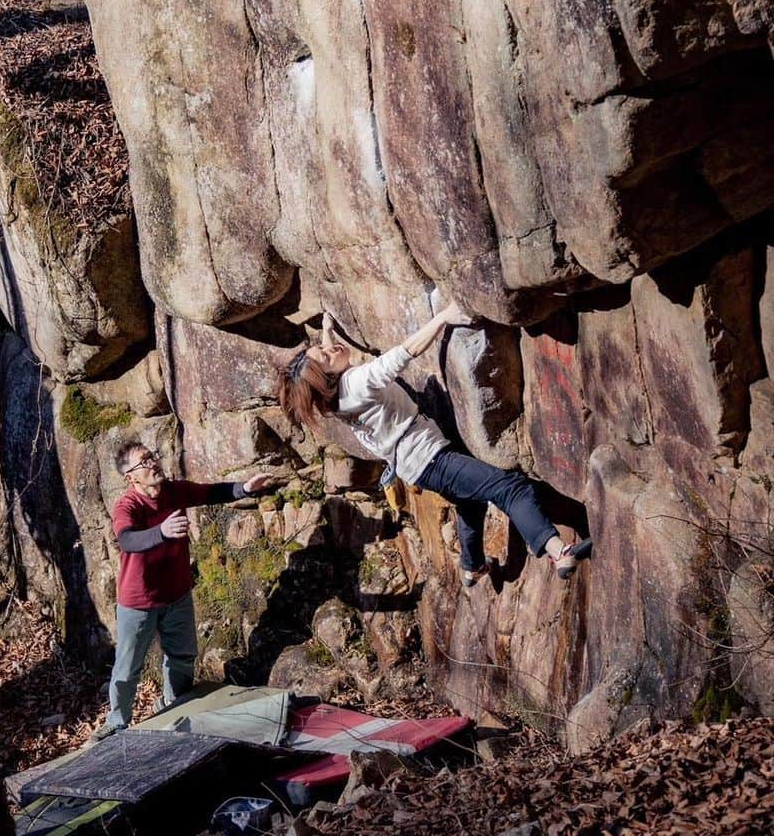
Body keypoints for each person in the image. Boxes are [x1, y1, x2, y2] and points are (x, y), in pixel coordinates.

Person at [276, 303, 592, 586]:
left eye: (323, 347)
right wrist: (443, 317)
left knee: (471, 502)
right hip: (430, 459)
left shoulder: (335, 399)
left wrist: (328, 332)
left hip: (416, 464)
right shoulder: (355, 384)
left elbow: (328, 362)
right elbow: (401, 355)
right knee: (510, 487)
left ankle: (472, 567)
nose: (330, 349)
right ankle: (557, 551)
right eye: (325, 355)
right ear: (326, 379)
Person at [99, 442, 271, 737]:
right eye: (144, 462)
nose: (153, 463)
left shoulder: (174, 491)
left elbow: (210, 492)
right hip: (138, 602)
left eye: (152, 456)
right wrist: (161, 532)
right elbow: (127, 540)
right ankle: (115, 726)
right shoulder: (127, 506)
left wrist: (245, 488)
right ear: (130, 477)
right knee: (128, 670)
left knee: (182, 657)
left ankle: (174, 706)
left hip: (177, 595)